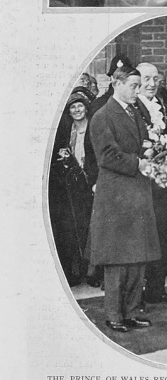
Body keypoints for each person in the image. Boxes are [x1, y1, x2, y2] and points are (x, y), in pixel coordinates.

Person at [88, 65, 160, 334]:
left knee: (137, 257)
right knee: (118, 259)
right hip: (116, 196)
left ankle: (130, 311)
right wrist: (139, 162)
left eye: (139, 86)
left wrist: (153, 152)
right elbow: (106, 155)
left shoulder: (134, 111)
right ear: (116, 84)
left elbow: (141, 143)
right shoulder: (102, 116)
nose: (137, 91)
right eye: (133, 85)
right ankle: (114, 315)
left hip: (137, 193)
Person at [135, 61, 167, 304]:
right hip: (140, 180)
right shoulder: (132, 106)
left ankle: (157, 287)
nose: (151, 84)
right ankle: (138, 290)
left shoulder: (161, 104)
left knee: (161, 231)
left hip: (160, 180)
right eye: (146, 79)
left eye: (155, 79)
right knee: (142, 236)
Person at [49, 88, 97, 285]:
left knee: (91, 228)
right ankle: (79, 269)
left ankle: (93, 272)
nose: (77, 110)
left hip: (91, 183)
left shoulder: (93, 128)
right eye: (73, 107)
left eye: (80, 106)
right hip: (75, 185)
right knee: (77, 227)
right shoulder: (67, 132)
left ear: (86, 108)